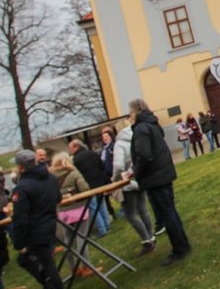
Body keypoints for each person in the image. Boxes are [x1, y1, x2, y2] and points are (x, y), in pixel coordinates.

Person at [129, 98, 191, 265]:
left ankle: (180, 248)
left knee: (167, 213)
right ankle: (183, 244)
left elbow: (144, 155)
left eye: (130, 112)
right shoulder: (152, 124)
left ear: (135, 112)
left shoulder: (142, 129)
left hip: (154, 178)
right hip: (163, 174)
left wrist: (135, 172)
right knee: (170, 211)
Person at [10, 150, 68, 289]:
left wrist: (19, 242)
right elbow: (57, 198)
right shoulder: (50, 178)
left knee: (48, 268)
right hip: (50, 226)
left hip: (35, 232)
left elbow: (20, 218)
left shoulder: (22, 187)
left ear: (21, 167)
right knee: (27, 261)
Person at [111, 125, 156, 256]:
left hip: (127, 183)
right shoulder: (135, 139)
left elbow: (118, 165)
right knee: (143, 209)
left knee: (130, 214)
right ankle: (151, 235)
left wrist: (115, 179)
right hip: (138, 179)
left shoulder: (119, 144)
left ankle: (146, 240)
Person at [49, 152, 94, 278]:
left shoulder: (50, 178)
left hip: (62, 212)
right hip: (78, 209)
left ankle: (74, 268)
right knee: (81, 238)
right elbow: (85, 189)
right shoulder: (73, 173)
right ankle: (86, 266)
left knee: (67, 241)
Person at [69, 139, 111, 238]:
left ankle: (102, 230)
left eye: (70, 148)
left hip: (88, 186)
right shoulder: (92, 153)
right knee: (102, 204)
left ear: (76, 147)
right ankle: (107, 224)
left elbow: (77, 175)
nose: (69, 150)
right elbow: (102, 166)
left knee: (93, 208)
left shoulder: (76, 160)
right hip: (99, 183)